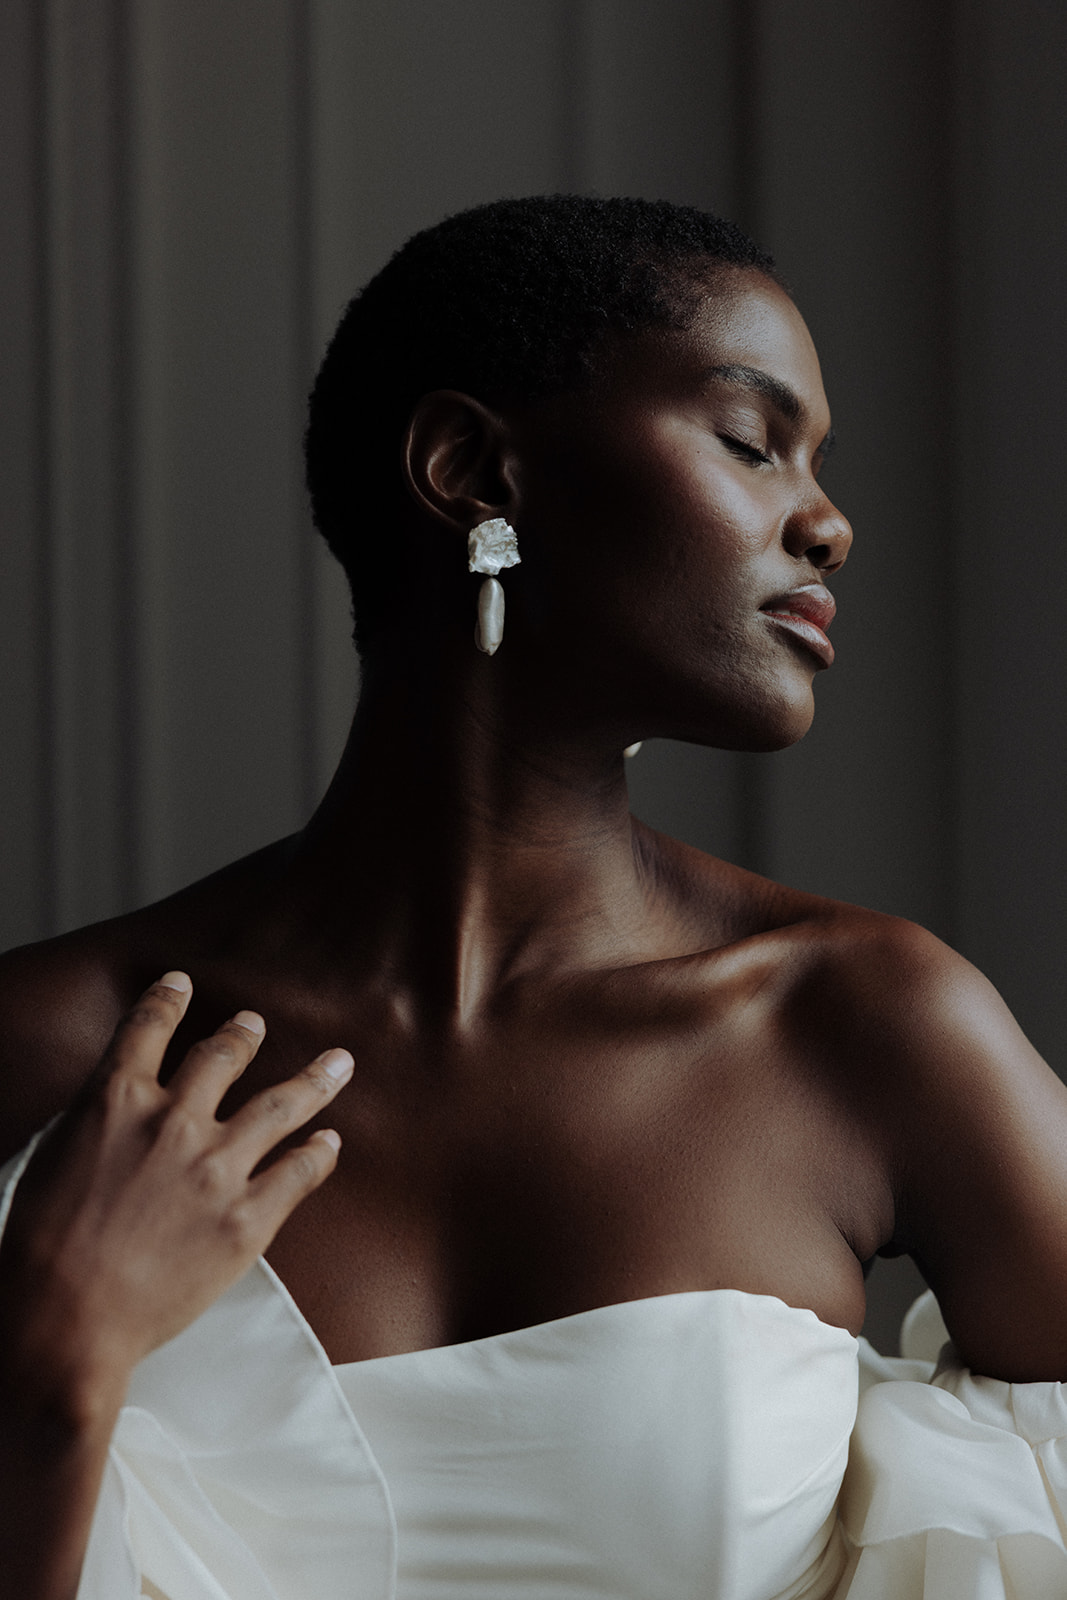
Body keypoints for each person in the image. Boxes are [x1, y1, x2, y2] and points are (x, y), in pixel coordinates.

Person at [2, 194, 1067, 1599]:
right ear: (473, 472)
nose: (830, 525)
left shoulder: (869, 1027)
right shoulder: (51, 1050)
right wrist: (53, 1370)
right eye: (754, 443)